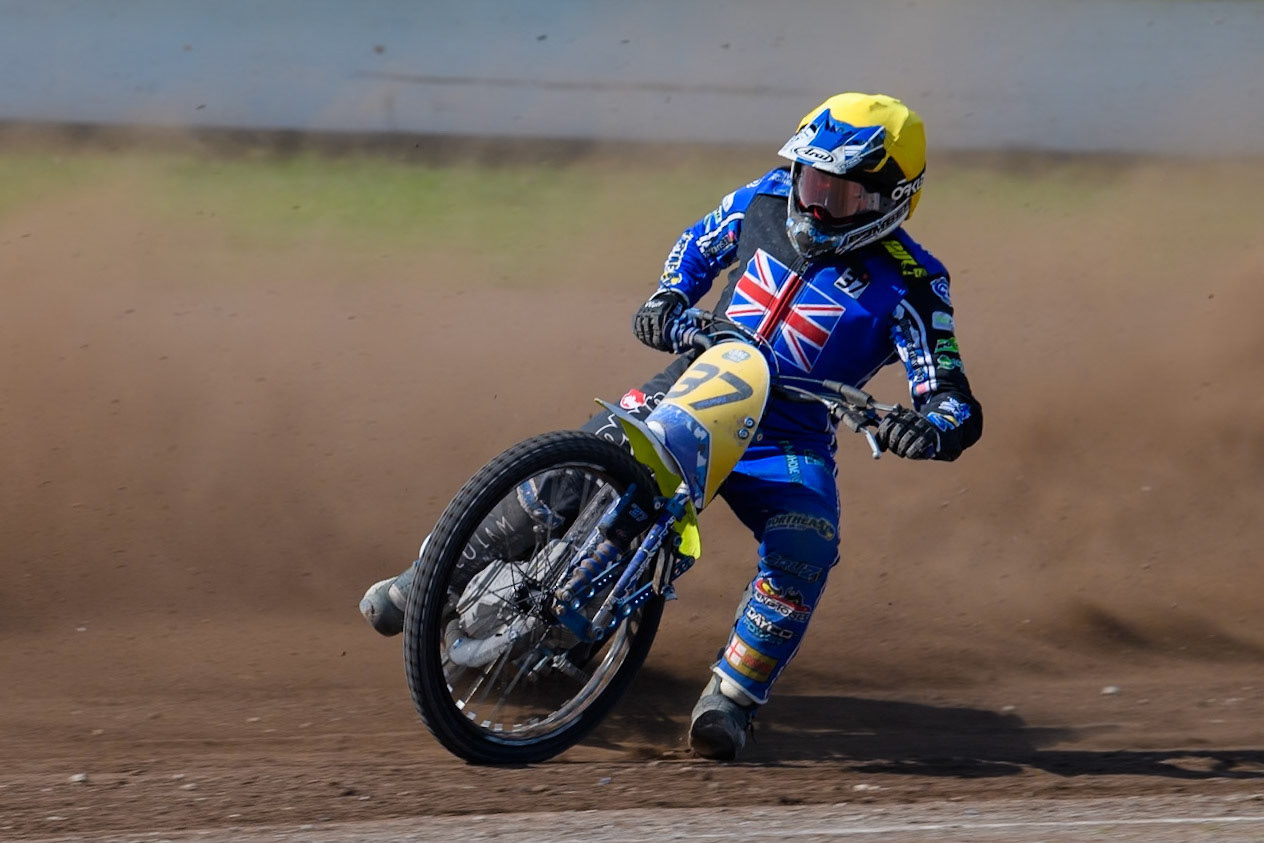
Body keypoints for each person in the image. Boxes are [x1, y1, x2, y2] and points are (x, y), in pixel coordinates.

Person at [360, 92, 983, 761]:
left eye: (839, 192)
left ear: (893, 197)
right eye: (810, 179)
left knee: (807, 545)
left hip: (788, 440)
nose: (814, 203)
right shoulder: (763, 199)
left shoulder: (916, 283)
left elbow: (953, 397)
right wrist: (668, 300)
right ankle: (428, 578)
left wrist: (931, 428)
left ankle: (732, 699)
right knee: (573, 469)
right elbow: (695, 248)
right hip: (691, 385)